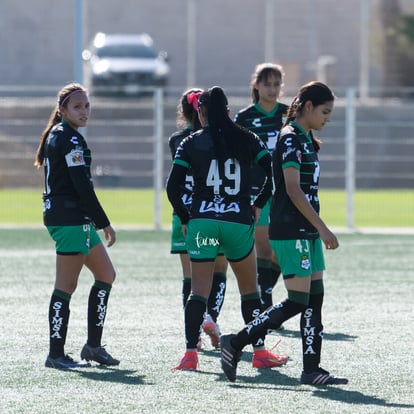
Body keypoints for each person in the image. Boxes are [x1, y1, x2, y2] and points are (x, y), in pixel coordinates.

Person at [220, 81, 349, 385]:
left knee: (314, 299)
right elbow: (292, 190)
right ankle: (235, 343)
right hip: (293, 230)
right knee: (297, 300)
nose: (328, 117)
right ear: (307, 107)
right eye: (325, 111)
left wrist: (317, 228)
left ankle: (311, 369)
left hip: (306, 231)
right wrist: (323, 227)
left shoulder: (305, 138)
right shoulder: (290, 139)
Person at [167, 86, 288, 370]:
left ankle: (190, 355)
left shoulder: (191, 141)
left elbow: (172, 187)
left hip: (203, 223)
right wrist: (258, 204)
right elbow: (271, 174)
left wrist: (186, 218)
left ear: (201, 112)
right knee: (250, 291)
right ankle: (259, 352)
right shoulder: (248, 138)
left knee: (198, 291)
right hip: (237, 222)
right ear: (229, 112)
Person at [34, 82, 120, 369]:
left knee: (106, 274)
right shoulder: (67, 138)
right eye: (77, 106)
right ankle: (55, 354)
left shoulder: (67, 135)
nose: (84, 111)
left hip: (76, 218)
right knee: (65, 286)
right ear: (62, 110)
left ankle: (93, 347)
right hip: (68, 219)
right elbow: (81, 185)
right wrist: (104, 221)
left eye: (87, 106)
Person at [169, 88, 228, 349]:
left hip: (183, 213)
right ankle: (211, 317)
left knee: (190, 279)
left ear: (183, 112)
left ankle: (192, 337)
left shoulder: (177, 140)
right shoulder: (219, 137)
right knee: (219, 272)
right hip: (216, 212)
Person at [235, 63, 288, 309]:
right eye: (267, 84)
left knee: (281, 250)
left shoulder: (290, 114)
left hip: (287, 192)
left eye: (277, 84)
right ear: (257, 85)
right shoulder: (244, 118)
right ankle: (264, 298)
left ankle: (263, 289)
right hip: (258, 192)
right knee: (264, 250)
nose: (272, 89)